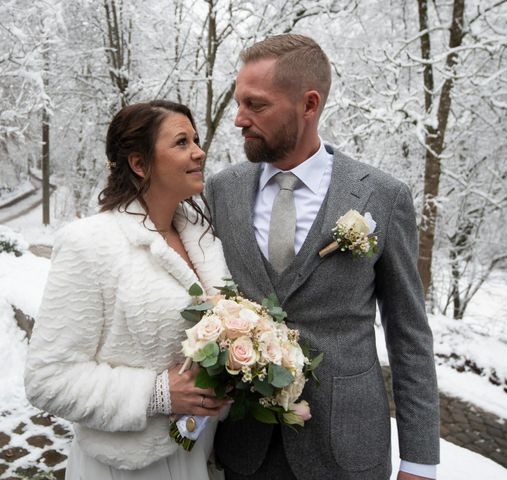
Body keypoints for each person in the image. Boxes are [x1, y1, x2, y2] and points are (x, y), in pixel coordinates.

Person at [206, 34, 440, 480]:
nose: (239, 119)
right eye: (238, 103)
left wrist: (420, 459)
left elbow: (409, 334)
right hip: (243, 446)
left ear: (308, 104)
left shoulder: (381, 197)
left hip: (346, 447)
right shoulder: (223, 190)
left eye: (256, 105)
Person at [25, 100, 230, 479]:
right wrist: (157, 395)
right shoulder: (90, 243)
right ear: (139, 163)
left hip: (198, 453)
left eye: (197, 140)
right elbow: (47, 379)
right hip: (125, 466)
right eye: (182, 142)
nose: (199, 152)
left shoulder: (203, 238)